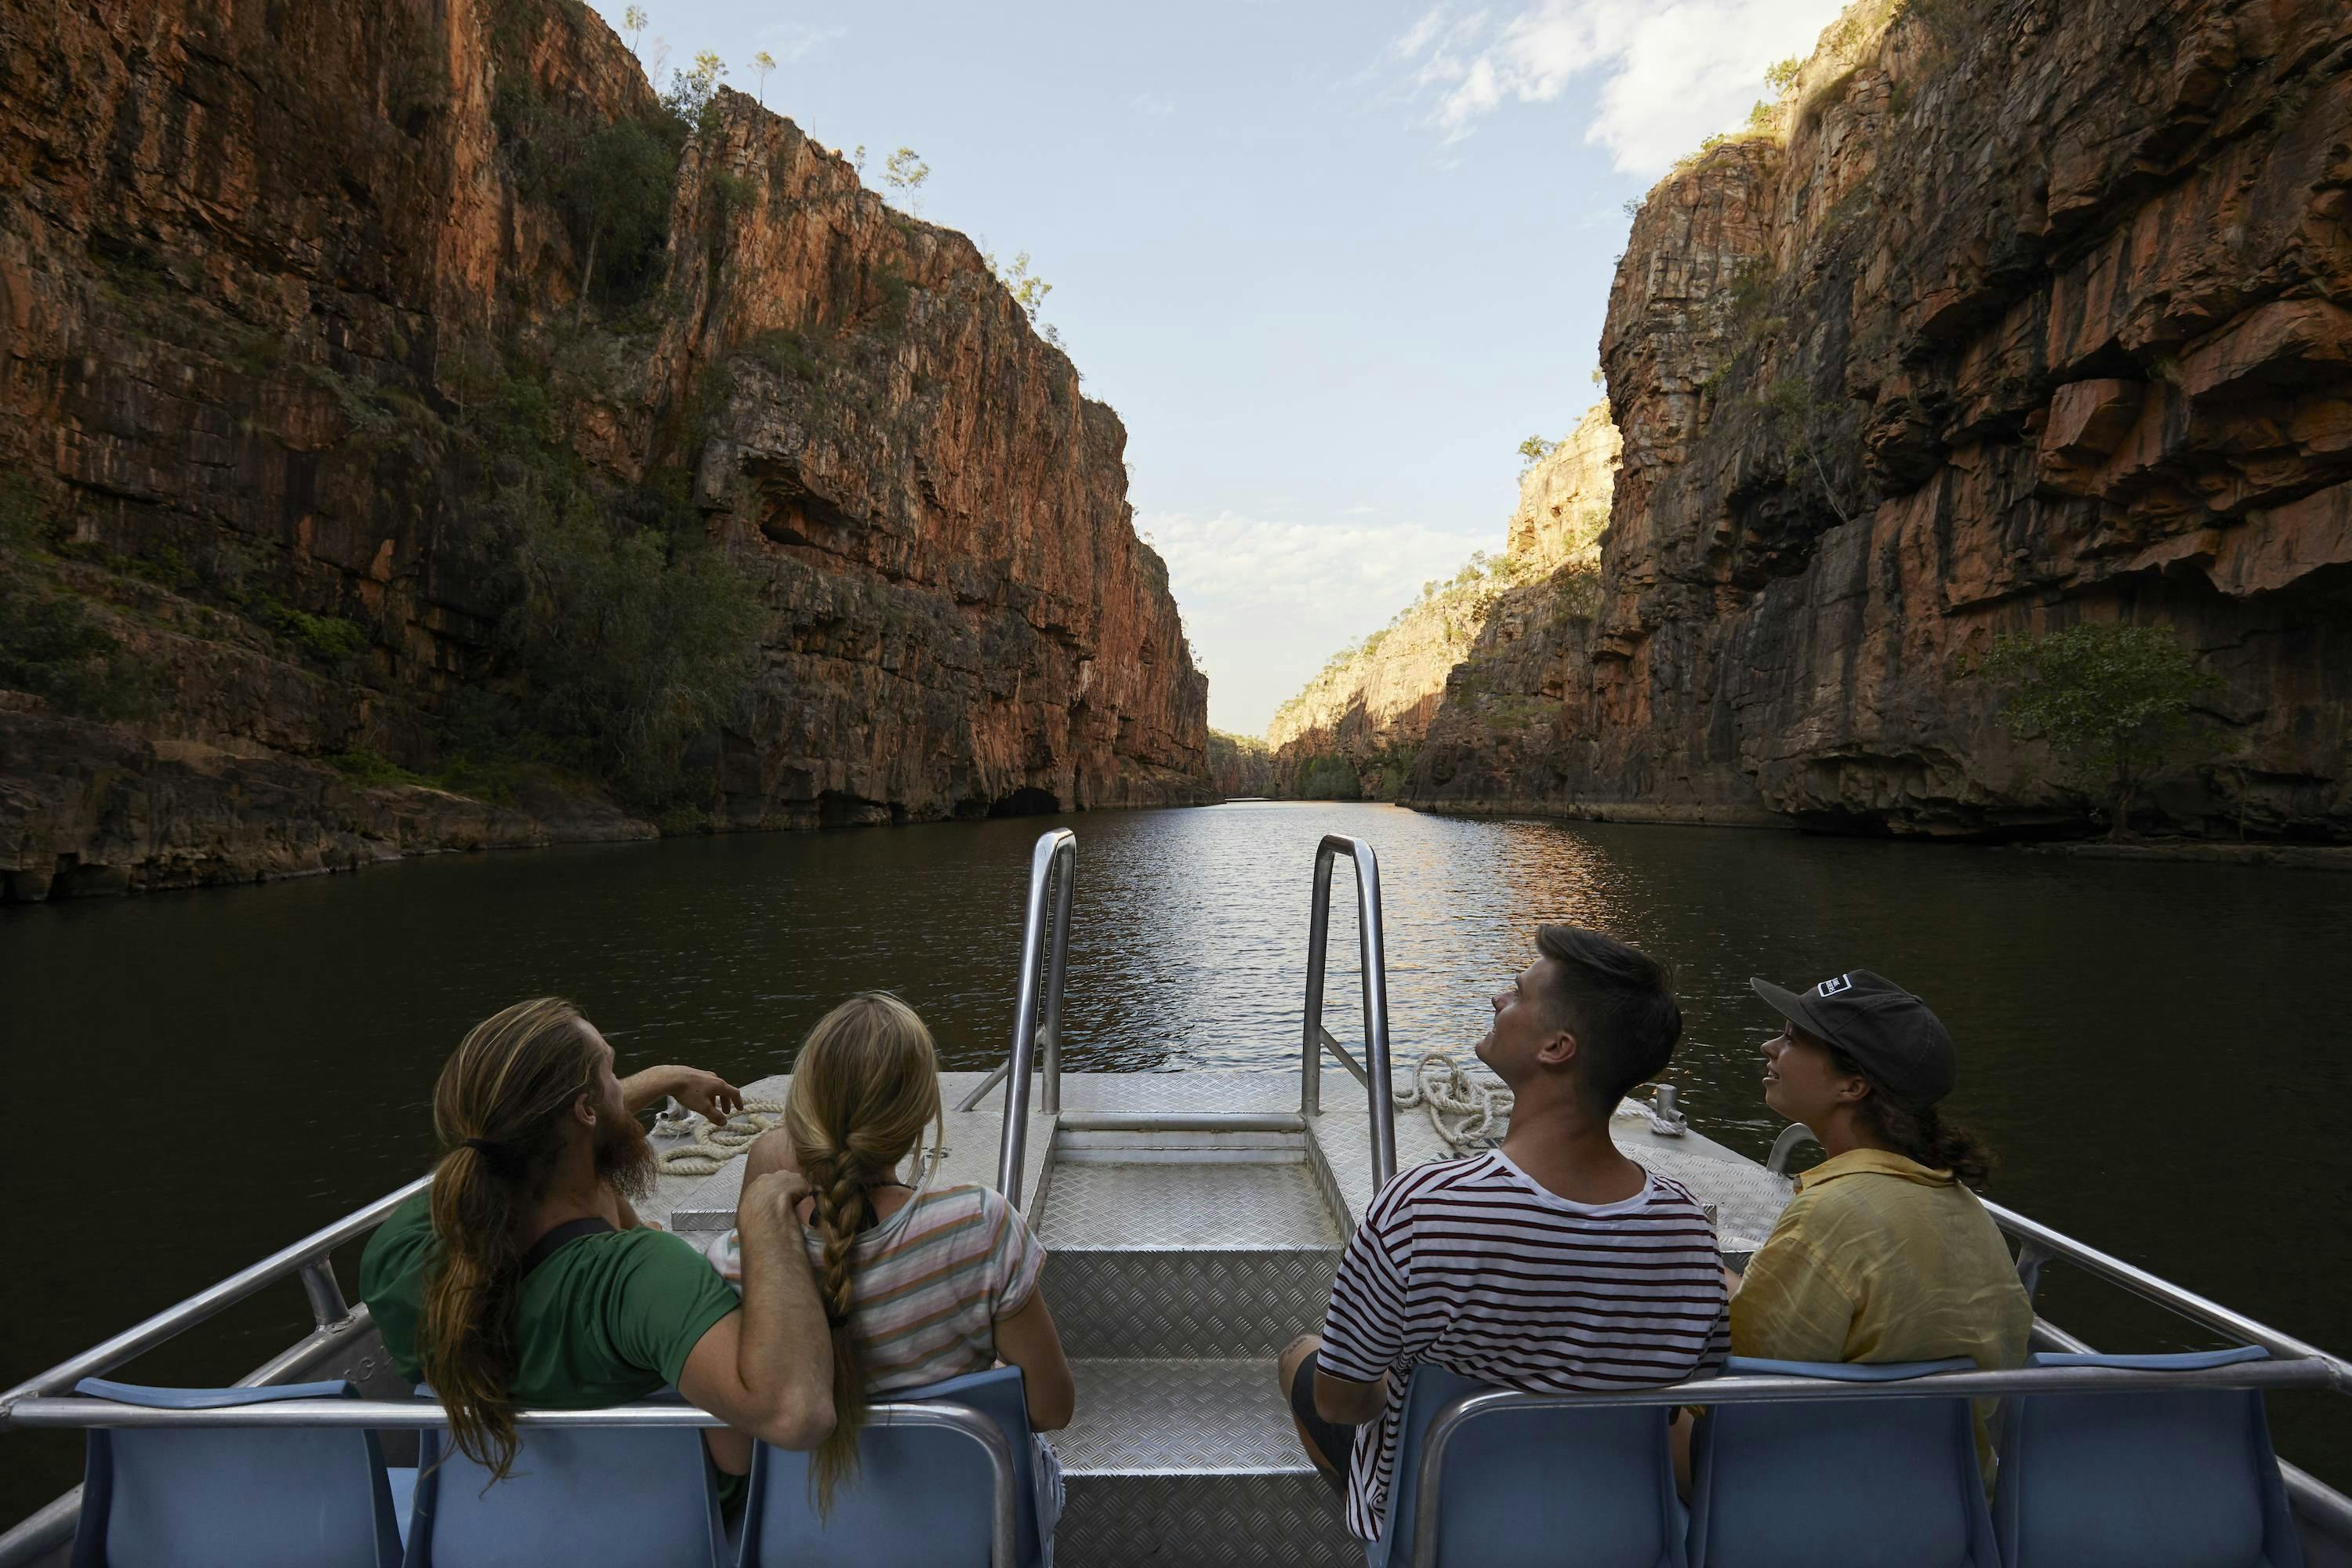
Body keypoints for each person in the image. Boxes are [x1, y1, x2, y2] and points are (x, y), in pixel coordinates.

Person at [1276, 925, 1730, 1547]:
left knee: (1300, 1359)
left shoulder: (1419, 1209)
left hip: (1442, 1528)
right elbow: (1689, 1390)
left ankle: (1377, 1537)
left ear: (1556, 1048)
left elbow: (1342, 1401)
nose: (1497, 999)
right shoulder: (1687, 1228)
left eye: (1517, 993)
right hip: (1617, 1534)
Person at [360, 997, 836, 1494]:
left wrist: (665, 1078)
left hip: (492, 1527)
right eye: (612, 1072)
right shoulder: (638, 1281)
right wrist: (764, 1218)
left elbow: (532, 1128)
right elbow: (795, 1416)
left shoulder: (397, 1255)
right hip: (675, 1524)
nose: (621, 1086)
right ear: (586, 1111)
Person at [739, 990, 1075, 1519]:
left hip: (807, 1536)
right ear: (920, 1114)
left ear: (801, 1113)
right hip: (962, 1532)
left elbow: (737, 1451)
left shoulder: (741, 1259)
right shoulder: (978, 1227)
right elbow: (1051, 1407)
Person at [1722, 967, 2032, 1482]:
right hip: (1946, 1493)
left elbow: (1743, 1392)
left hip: (1820, 1488)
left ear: (1853, 1084)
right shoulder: (1962, 1208)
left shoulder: (1830, 1216)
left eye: (1792, 1039)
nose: (1767, 1047)